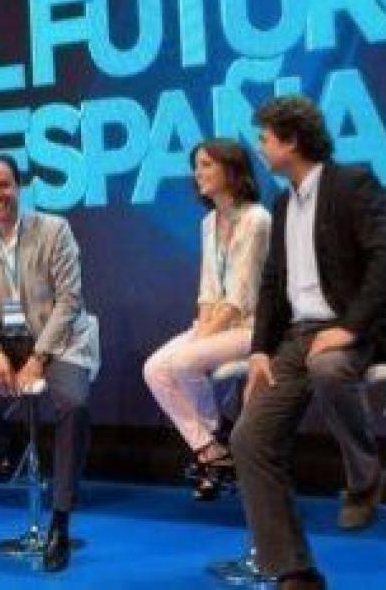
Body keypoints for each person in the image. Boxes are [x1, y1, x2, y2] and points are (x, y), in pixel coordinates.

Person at [229, 95, 386, 589]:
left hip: (357, 327)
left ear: (291, 141)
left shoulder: (351, 184)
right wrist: (258, 350)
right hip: (297, 336)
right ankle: (294, 570)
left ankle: (365, 479)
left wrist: (350, 328)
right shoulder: (282, 202)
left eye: (265, 138)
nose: (260, 148)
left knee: (329, 366)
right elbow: (273, 283)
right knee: (249, 440)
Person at [0, 154, 99, 572]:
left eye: (4, 185)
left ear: (19, 186)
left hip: (57, 343)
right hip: (6, 343)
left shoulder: (54, 229)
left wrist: (39, 358)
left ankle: (60, 521)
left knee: (73, 404)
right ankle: (9, 447)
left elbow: (70, 301)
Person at [143, 138, 270, 500]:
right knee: (154, 368)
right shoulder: (209, 222)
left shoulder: (256, 219)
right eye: (196, 166)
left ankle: (215, 434)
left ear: (231, 169)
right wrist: (201, 327)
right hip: (218, 324)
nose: (197, 173)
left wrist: (202, 338)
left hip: (254, 326)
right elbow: (208, 289)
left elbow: (241, 295)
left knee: (183, 361)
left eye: (206, 165)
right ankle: (210, 449)